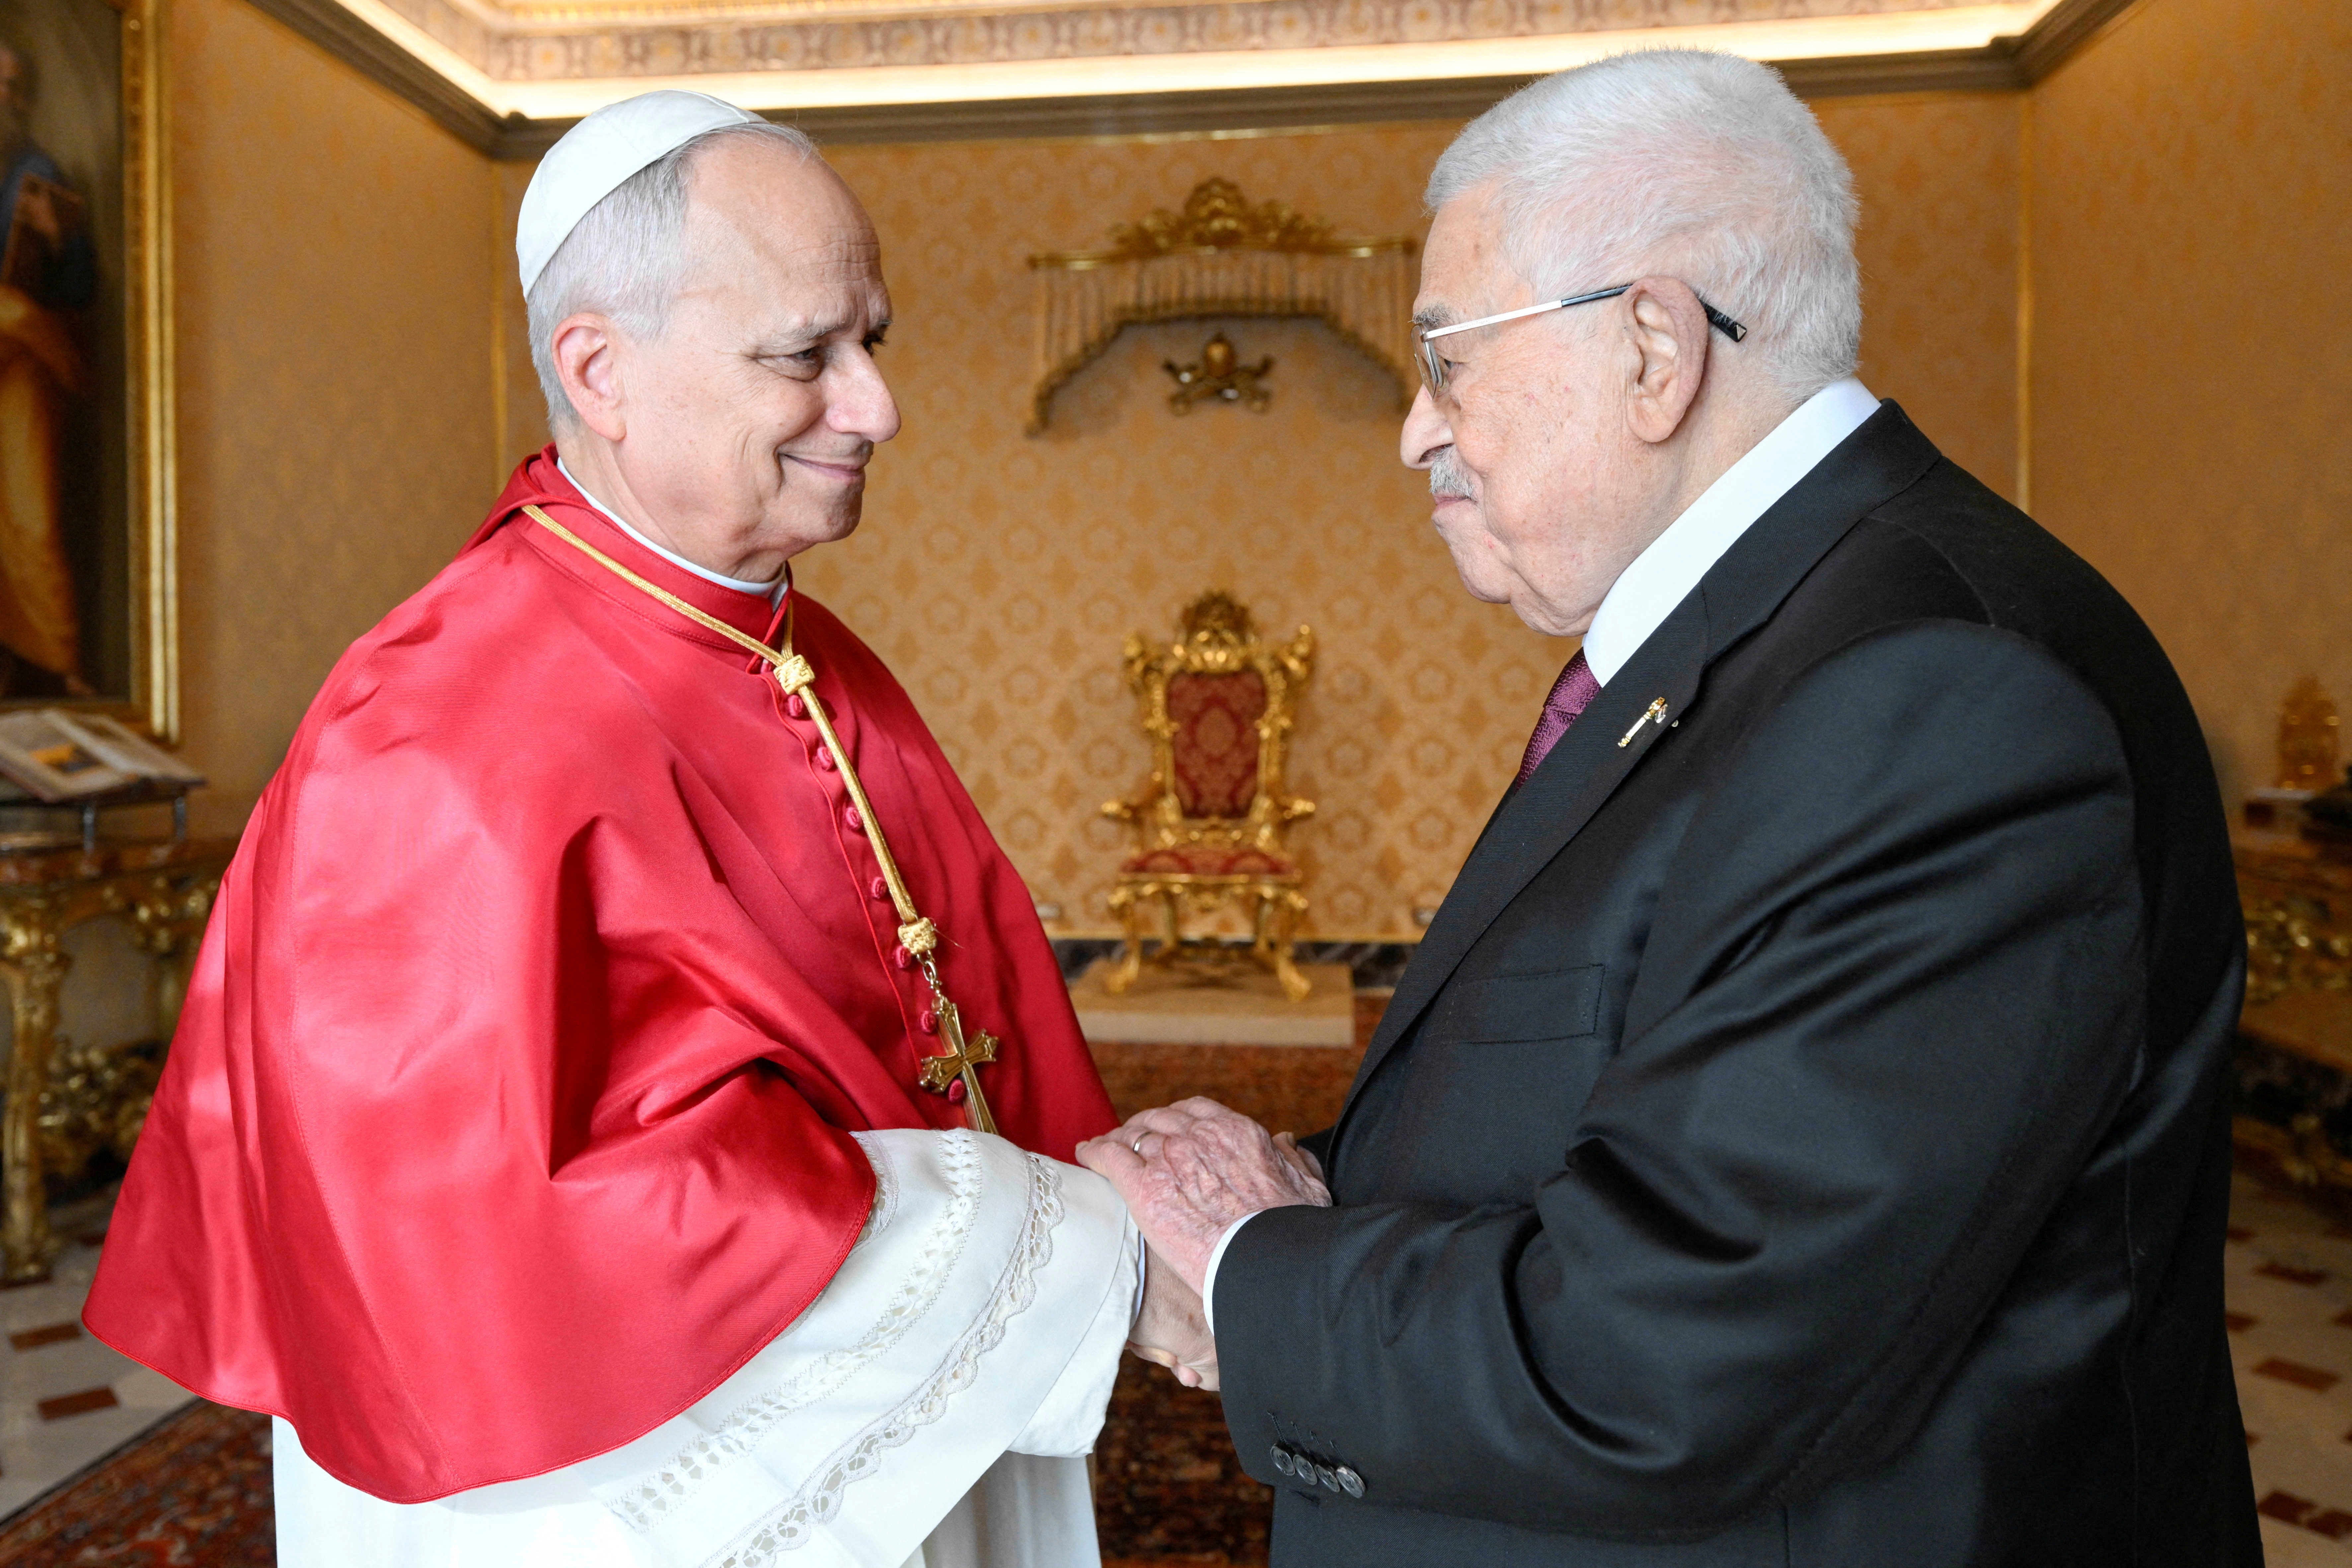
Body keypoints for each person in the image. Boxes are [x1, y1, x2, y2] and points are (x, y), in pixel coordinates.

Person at [1081, 49, 2259, 1565]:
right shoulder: (1797, 638)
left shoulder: (1936, 693)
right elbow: (1649, 1093)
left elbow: (1674, 1359)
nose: (1415, 432)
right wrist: (1312, 1181)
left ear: (1650, 346)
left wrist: (1244, 1265)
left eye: (1448, 360)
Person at [86, 90, 1211, 1567]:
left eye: (872, 340)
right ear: (599, 372)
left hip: (894, 1418)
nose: (876, 405)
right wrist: (1086, 1250)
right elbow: (514, 1249)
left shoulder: (812, 654)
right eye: (805, 355)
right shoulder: (430, 729)